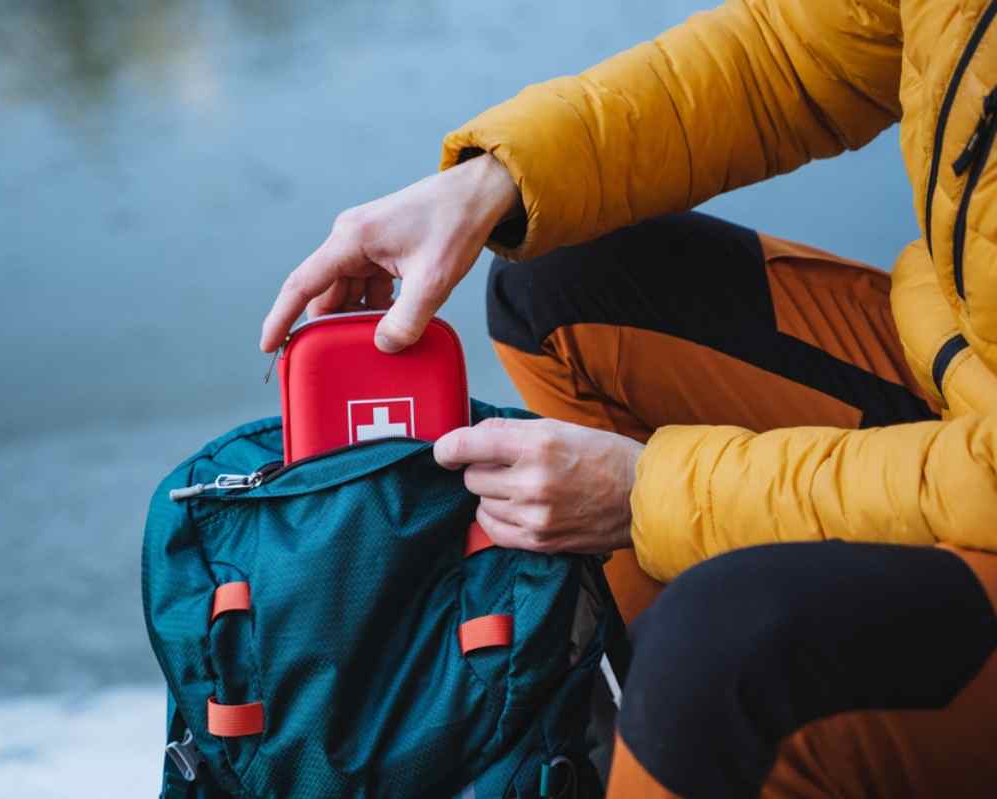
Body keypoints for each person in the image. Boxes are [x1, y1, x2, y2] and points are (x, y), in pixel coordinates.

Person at [260, 1, 997, 795]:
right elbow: (794, 53)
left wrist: (650, 490)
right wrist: (491, 182)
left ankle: (696, 731)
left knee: (717, 656)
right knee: (559, 294)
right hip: (961, 368)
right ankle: (630, 750)